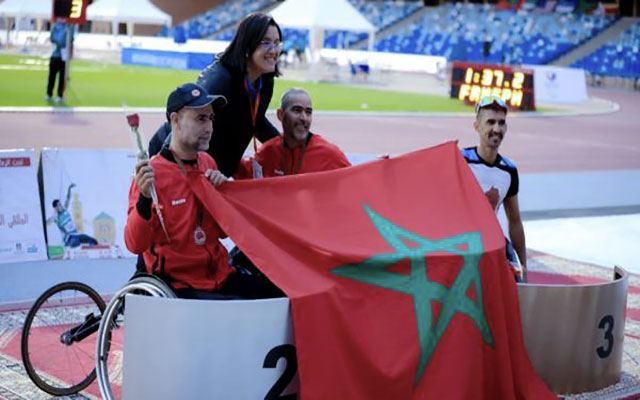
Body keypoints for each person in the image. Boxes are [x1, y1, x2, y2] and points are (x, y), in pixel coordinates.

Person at [125, 83, 281, 300]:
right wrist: (144, 199)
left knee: (281, 290)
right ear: (175, 121)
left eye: (210, 119)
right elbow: (134, 244)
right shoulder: (151, 175)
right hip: (178, 285)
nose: (209, 128)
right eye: (200, 119)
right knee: (237, 306)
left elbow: (222, 233)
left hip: (219, 275)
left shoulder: (207, 163)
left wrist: (221, 197)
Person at [148, 13, 283, 177]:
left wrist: (283, 147)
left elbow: (255, 119)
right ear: (247, 45)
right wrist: (166, 169)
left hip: (216, 171)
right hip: (174, 158)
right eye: (266, 42)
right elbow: (185, 126)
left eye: (277, 43)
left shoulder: (265, 81)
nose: (274, 50)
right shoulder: (219, 82)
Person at [462, 95, 527, 281]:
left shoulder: (509, 170)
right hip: (461, 244)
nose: (497, 129)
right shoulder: (460, 160)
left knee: (515, 283)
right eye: (490, 122)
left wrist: (523, 265)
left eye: (501, 123)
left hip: (491, 245)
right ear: (477, 126)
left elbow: (515, 222)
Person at [236, 88, 351, 179]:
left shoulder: (330, 155)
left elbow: (353, 182)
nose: (304, 118)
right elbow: (243, 175)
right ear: (280, 115)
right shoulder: (268, 152)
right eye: (297, 110)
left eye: (308, 112)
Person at [47, 183, 98, 248]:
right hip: (69, 238)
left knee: (93, 241)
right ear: (56, 208)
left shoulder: (65, 209)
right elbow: (47, 223)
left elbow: (68, 198)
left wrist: (69, 188)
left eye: (61, 204)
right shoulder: (56, 217)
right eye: (59, 205)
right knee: (76, 242)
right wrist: (54, 215)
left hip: (76, 235)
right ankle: (71, 248)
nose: (61, 206)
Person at [46, 23, 73, 103]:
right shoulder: (56, 26)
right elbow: (53, 38)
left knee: (62, 77)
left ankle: (60, 95)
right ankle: (49, 94)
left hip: (64, 57)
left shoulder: (70, 26)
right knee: (51, 76)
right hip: (55, 55)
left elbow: (68, 40)